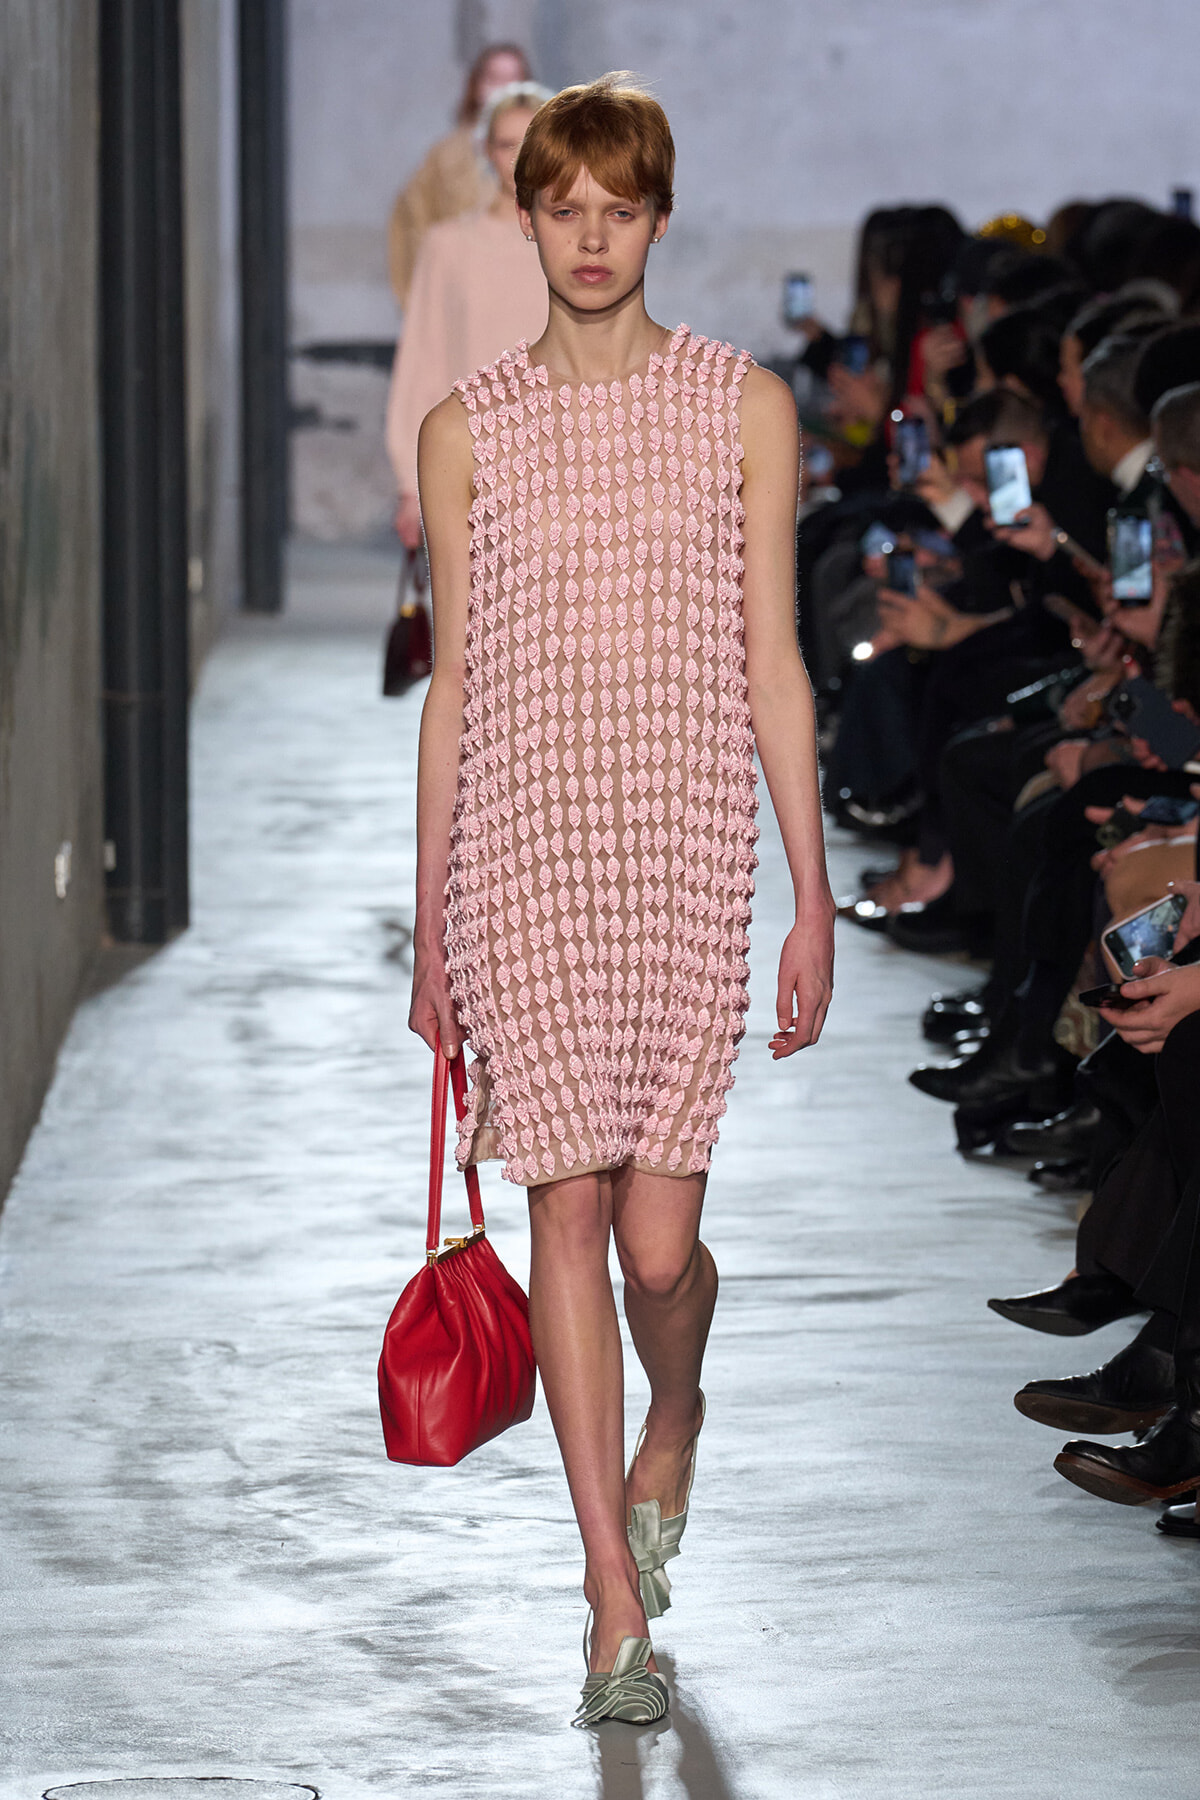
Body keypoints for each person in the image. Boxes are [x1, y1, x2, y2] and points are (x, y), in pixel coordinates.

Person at [407, 74, 835, 1724]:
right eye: (562, 208)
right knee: (566, 1219)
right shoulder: (469, 430)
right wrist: (433, 923)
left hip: (676, 859)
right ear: (524, 218)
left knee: (662, 1249)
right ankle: (607, 1604)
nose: (592, 239)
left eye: (621, 208)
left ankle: (678, 1414)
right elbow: (453, 690)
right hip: (522, 860)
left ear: (660, 218)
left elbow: (779, 668)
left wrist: (809, 896)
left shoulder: (743, 406)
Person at [385, 82, 552, 550]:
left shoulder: (580, 246)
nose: (519, 158)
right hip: (472, 468)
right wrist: (409, 483)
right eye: (506, 144)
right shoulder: (448, 246)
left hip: (567, 465)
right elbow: (423, 359)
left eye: (532, 143)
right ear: (485, 150)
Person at [387, 43, 531, 306]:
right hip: (462, 294)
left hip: (527, 291)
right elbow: (412, 221)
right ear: (476, 86)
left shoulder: (548, 150)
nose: (503, 89)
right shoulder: (445, 156)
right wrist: (422, 299)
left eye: (513, 79)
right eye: (494, 79)